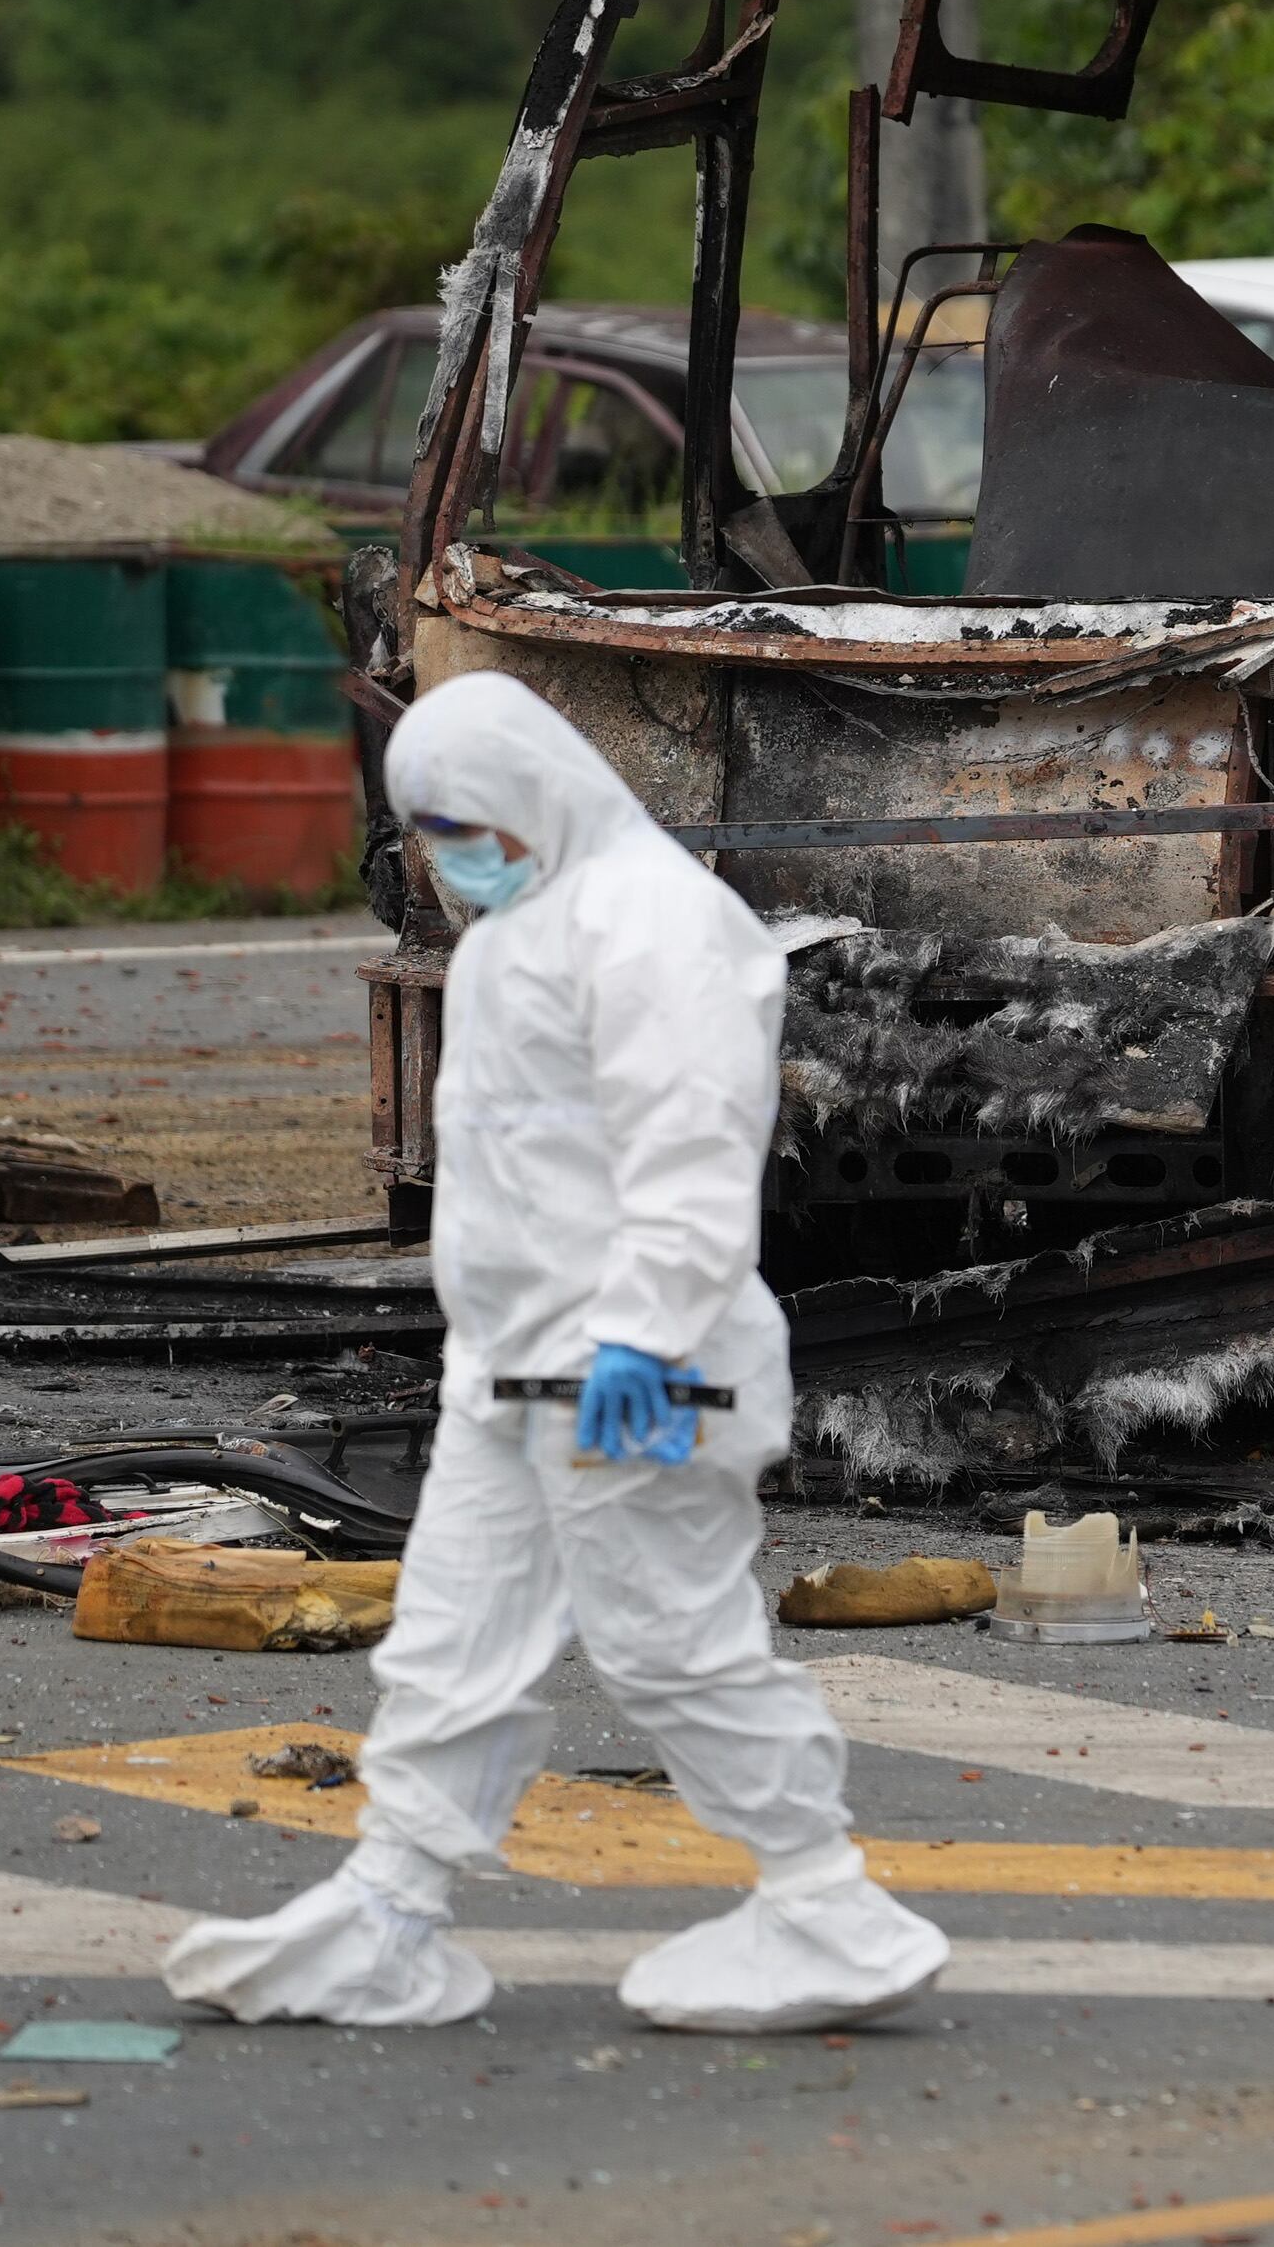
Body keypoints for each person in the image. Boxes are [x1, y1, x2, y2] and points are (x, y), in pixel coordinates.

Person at [164, 670, 948, 2032]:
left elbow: (690, 1155)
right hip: (510, 1371)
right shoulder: (510, 938)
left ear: (540, 790)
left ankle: (827, 1909)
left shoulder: (659, 923)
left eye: (468, 825)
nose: (452, 857)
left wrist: (642, 1339)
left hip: (638, 1371)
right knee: (450, 1642)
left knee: (671, 1647)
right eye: (431, 832)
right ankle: (390, 1912)